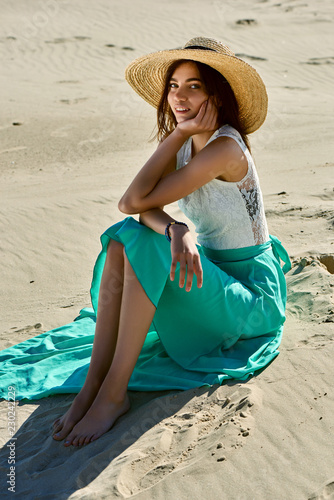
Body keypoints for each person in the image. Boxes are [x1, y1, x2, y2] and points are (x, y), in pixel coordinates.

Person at [1, 37, 291, 446]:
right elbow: (135, 207)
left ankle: (112, 395)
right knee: (126, 239)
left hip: (250, 296)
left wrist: (173, 220)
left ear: (217, 96)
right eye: (173, 85)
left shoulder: (223, 147)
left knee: (141, 242)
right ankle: (94, 385)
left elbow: (135, 201)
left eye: (194, 86)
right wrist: (177, 227)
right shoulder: (189, 141)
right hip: (212, 275)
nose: (179, 96)